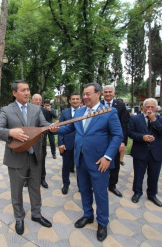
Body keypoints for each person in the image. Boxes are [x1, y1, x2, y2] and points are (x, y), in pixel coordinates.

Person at [56, 82, 123, 242]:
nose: (85, 97)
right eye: (83, 94)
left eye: (88, 94)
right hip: (80, 159)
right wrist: (55, 129)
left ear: (98, 94)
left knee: (100, 194)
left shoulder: (108, 112)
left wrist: (108, 157)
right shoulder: (79, 112)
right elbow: (70, 129)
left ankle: (102, 223)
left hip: (100, 161)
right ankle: (88, 215)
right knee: (84, 190)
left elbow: (117, 136)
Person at [0, 80, 58, 236]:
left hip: (35, 157)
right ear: (15, 93)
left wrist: (52, 127)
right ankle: (19, 218)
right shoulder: (7, 110)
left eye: (28, 89)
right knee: (17, 190)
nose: (27, 93)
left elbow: (44, 124)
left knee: (35, 187)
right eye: (23, 90)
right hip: (16, 158)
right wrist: (10, 133)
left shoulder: (36, 109)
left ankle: (36, 214)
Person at [128, 98, 162, 207]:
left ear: (156, 108)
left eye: (152, 107)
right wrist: (142, 137)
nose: (149, 109)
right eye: (147, 107)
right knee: (139, 174)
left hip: (156, 152)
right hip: (140, 150)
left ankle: (152, 194)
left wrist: (154, 120)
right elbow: (130, 133)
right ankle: (137, 192)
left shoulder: (161, 119)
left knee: (154, 175)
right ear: (143, 107)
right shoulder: (135, 118)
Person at [101, 85, 128, 197]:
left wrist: (122, 142)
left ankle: (112, 185)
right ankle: (101, 184)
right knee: (101, 161)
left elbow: (124, 124)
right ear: (102, 93)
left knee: (115, 163)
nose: (107, 94)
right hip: (102, 139)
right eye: (105, 92)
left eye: (110, 92)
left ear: (114, 93)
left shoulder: (120, 106)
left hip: (115, 139)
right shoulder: (99, 104)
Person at [58, 93, 81, 195]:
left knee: (80, 167)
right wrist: (61, 143)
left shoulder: (85, 112)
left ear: (80, 100)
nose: (75, 101)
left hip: (81, 145)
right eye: (73, 99)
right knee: (66, 166)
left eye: (77, 99)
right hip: (67, 144)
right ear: (70, 101)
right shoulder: (65, 112)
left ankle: (82, 186)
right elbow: (60, 128)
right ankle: (66, 184)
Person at [31, 94, 49, 188]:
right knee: (29, 161)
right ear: (32, 101)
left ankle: (42, 179)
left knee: (42, 160)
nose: (38, 101)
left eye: (39, 100)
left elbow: (49, 125)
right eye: (36, 100)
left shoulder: (45, 111)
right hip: (30, 142)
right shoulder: (27, 110)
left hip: (41, 141)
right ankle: (28, 179)